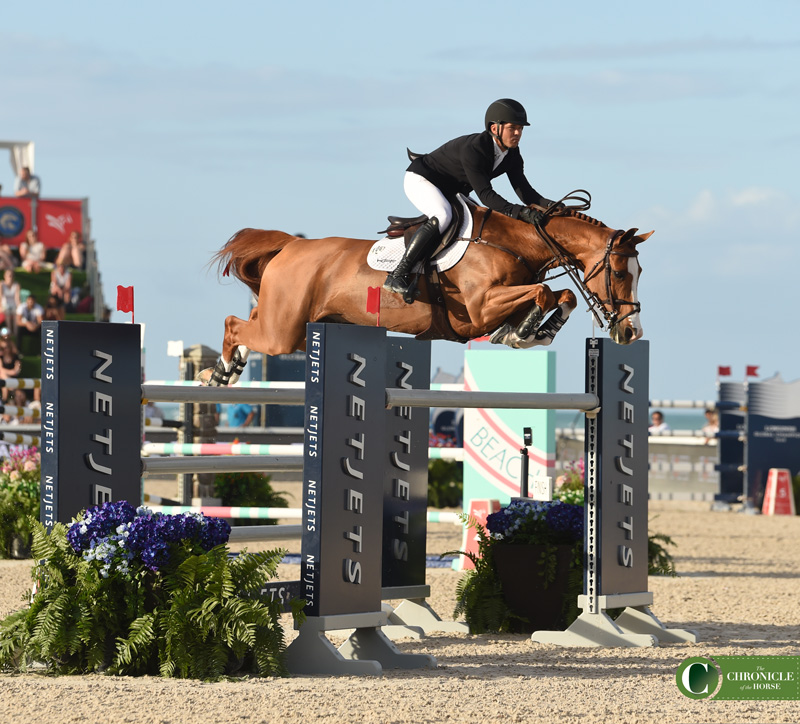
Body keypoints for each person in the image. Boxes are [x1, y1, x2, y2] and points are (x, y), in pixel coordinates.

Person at [383, 98, 559, 299]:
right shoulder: (475, 149)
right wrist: (521, 213)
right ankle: (398, 275)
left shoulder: (512, 154)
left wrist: (553, 206)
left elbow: (526, 192)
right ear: (495, 128)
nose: (518, 133)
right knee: (442, 215)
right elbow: (486, 195)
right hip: (422, 179)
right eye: (513, 128)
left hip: (451, 189)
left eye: (520, 129)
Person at [0, 270, 21, 337]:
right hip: (5, 305)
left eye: (11, 275)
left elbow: (17, 298)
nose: (10, 277)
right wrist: (1, 306)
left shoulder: (17, 285)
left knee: (16, 315)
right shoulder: (1, 284)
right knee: (8, 314)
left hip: (14, 305)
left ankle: (15, 333)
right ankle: (9, 332)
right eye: (8, 275)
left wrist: (19, 307)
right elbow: (0, 296)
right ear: (5, 276)